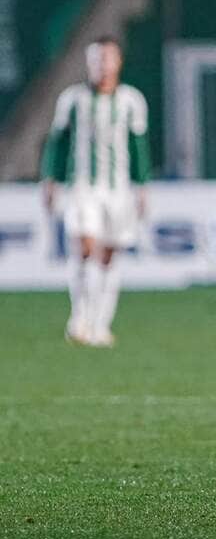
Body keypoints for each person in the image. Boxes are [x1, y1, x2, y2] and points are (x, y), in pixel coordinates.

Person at [40, 36, 150, 347]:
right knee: (85, 248)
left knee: (109, 258)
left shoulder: (131, 101)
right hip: (82, 187)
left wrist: (142, 188)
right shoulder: (72, 100)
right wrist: (50, 180)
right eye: (97, 60)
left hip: (118, 191)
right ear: (88, 64)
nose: (103, 65)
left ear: (118, 62)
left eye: (108, 59)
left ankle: (100, 325)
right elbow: (57, 143)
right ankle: (79, 319)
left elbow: (138, 147)